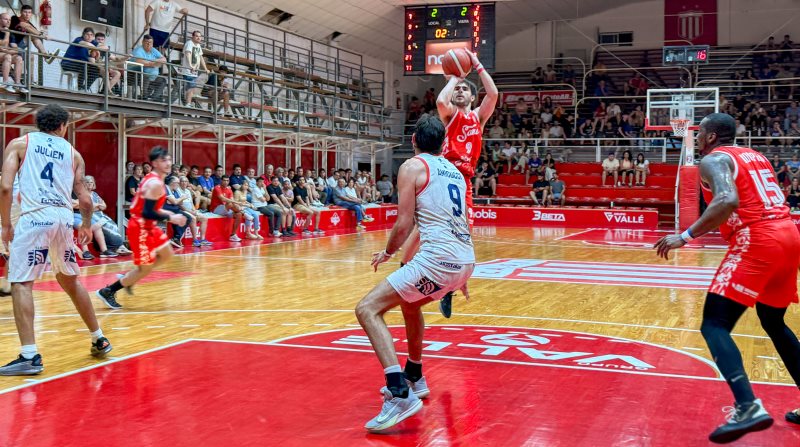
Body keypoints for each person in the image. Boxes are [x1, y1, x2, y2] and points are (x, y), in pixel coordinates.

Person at [654, 113, 800, 444]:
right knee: (773, 321)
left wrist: (685, 236)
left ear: (709, 137)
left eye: (699, 131)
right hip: (789, 235)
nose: (696, 135)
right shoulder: (756, 156)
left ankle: (747, 406)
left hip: (758, 239)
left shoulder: (714, 160)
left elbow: (727, 199)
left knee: (714, 324)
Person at [354, 114, 475, 432]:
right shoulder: (457, 175)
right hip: (464, 260)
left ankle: (399, 393)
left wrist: (388, 252)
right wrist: (462, 275)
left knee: (367, 309)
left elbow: (405, 222)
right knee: (409, 303)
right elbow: (454, 223)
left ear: (413, 141)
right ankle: (415, 374)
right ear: (444, 144)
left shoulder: (412, 167)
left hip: (439, 261)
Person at [0, 104, 112, 375]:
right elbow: (85, 198)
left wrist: (5, 225)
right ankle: (99, 338)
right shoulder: (74, 154)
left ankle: (29, 355)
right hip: (63, 219)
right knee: (70, 280)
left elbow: (5, 187)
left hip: (34, 217)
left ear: (38, 124)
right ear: (63, 126)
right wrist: (85, 225)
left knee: (22, 283)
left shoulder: (20, 143)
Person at [402, 48, 497, 319]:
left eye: (466, 89)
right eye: (458, 89)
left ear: (472, 97)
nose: (460, 91)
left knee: (462, 234)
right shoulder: (449, 115)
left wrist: (476, 64)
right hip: (442, 173)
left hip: (463, 181)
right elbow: (442, 102)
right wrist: (454, 78)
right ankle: (403, 266)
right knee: (424, 227)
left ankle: (450, 288)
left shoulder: (478, 117)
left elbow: (493, 95)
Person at [96, 147, 187, 309]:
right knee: (144, 268)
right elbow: (147, 212)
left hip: (149, 226)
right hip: (140, 228)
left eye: (168, 159)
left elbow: (150, 208)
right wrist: (171, 217)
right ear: (154, 163)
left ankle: (132, 276)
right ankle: (109, 290)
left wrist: (171, 213)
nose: (167, 163)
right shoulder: (155, 184)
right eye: (162, 160)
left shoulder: (154, 179)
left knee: (166, 253)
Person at [129, 35, 167, 101]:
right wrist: (153, 64)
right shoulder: (139, 50)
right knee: (146, 76)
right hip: (135, 74)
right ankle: (144, 97)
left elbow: (164, 59)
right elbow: (139, 61)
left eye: (150, 42)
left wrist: (153, 62)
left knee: (163, 81)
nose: (149, 44)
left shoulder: (153, 50)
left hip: (152, 77)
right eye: (147, 42)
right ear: (143, 42)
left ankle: (153, 99)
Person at [181, 30, 209, 107]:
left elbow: (201, 57)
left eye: (200, 36)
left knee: (191, 87)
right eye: (196, 36)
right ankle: (188, 103)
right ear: (192, 36)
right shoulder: (189, 43)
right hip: (188, 70)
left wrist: (205, 68)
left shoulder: (198, 46)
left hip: (194, 71)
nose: (198, 38)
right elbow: (188, 54)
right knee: (191, 86)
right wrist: (190, 65)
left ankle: (188, 102)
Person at [0, 13, 26, 93]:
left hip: (4, 53)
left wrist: (8, 50)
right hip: (3, 54)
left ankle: (17, 84)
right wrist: (7, 33)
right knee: (8, 56)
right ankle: (5, 83)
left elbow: (15, 49)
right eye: (5, 19)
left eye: (9, 20)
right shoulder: (8, 32)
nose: (8, 21)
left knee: (19, 58)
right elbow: (3, 45)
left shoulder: (10, 33)